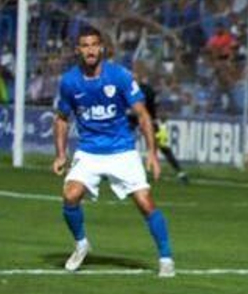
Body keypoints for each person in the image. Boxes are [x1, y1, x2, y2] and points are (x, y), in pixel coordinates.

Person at [52, 27, 175, 277]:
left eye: (94, 45)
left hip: (122, 150)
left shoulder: (119, 75)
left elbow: (142, 114)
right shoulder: (69, 81)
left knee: (145, 203)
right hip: (89, 151)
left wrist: (152, 153)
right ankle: (81, 244)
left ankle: (166, 258)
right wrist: (61, 154)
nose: (90, 50)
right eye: (84, 45)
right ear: (78, 50)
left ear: (102, 48)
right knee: (70, 195)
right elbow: (62, 118)